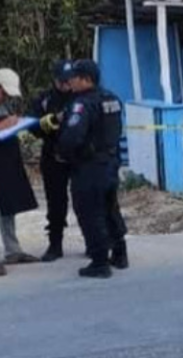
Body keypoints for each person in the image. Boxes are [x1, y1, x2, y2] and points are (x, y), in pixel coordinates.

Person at [58, 60, 128, 279]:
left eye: (74, 77)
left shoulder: (82, 104)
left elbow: (72, 137)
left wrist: (63, 154)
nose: (70, 81)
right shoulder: (112, 99)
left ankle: (99, 262)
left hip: (89, 167)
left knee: (90, 212)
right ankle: (120, 253)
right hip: (110, 163)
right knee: (110, 209)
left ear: (86, 79)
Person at [29, 60, 75, 262]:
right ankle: (55, 244)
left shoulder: (82, 97)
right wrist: (55, 120)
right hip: (53, 156)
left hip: (79, 157)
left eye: (69, 80)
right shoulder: (44, 99)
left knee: (86, 201)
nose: (66, 84)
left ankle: (96, 244)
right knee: (56, 203)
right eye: (62, 81)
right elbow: (33, 127)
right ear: (55, 80)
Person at [0, 68, 40, 276]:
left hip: (5, 160)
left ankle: (13, 250)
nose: (5, 96)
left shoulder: (3, 103)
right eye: (4, 92)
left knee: (7, 205)